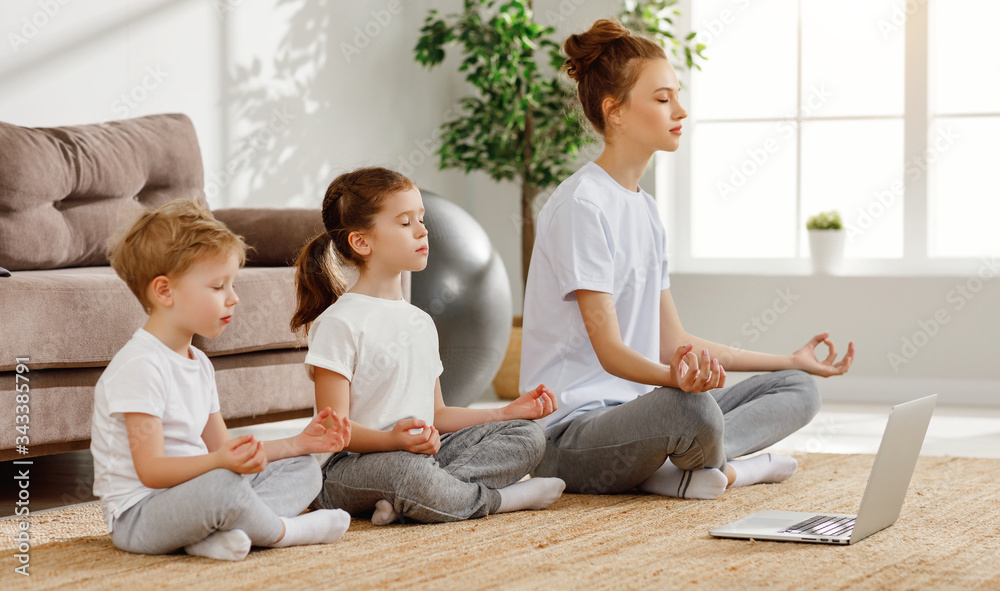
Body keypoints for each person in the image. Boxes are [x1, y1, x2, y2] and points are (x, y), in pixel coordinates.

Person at [520, 19, 856, 500]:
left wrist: (787, 358)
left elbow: (671, 342)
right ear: (615, 111)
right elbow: (610, 352)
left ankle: (687, 468)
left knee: (796, 387)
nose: (680, 110)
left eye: (676, 95)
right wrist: (679, 382)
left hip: (639, 417)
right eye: (662, 99)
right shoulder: (583, 206)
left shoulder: (646, 209)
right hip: (570, 437)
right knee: (689, 409)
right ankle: (729, 468)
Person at [291, 167, 566, 525]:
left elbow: (437, 415)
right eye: (405, 222)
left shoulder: (420, 322)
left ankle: (413, 500)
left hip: (419, 457)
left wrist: (505, 413)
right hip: (347, 469)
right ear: (362, 242)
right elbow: (334, 432)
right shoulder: (339, 323)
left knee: (529, 436)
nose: (423, 230)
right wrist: (393, 440)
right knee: (407, 472)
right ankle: (500, 500)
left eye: (421, 219)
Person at [92, 199, 353, 561]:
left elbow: (222, 450)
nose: (234, 298)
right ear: (164, 291)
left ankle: (217, 533)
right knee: (224, 486)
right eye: (218, 287)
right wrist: (220, 465)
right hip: (141, 517)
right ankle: (282, 532)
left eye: (232, 284)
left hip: (202, 493)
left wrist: (298, 443)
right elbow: (151, 471)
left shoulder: (198, 362)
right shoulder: (140, 366)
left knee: (305, 470)